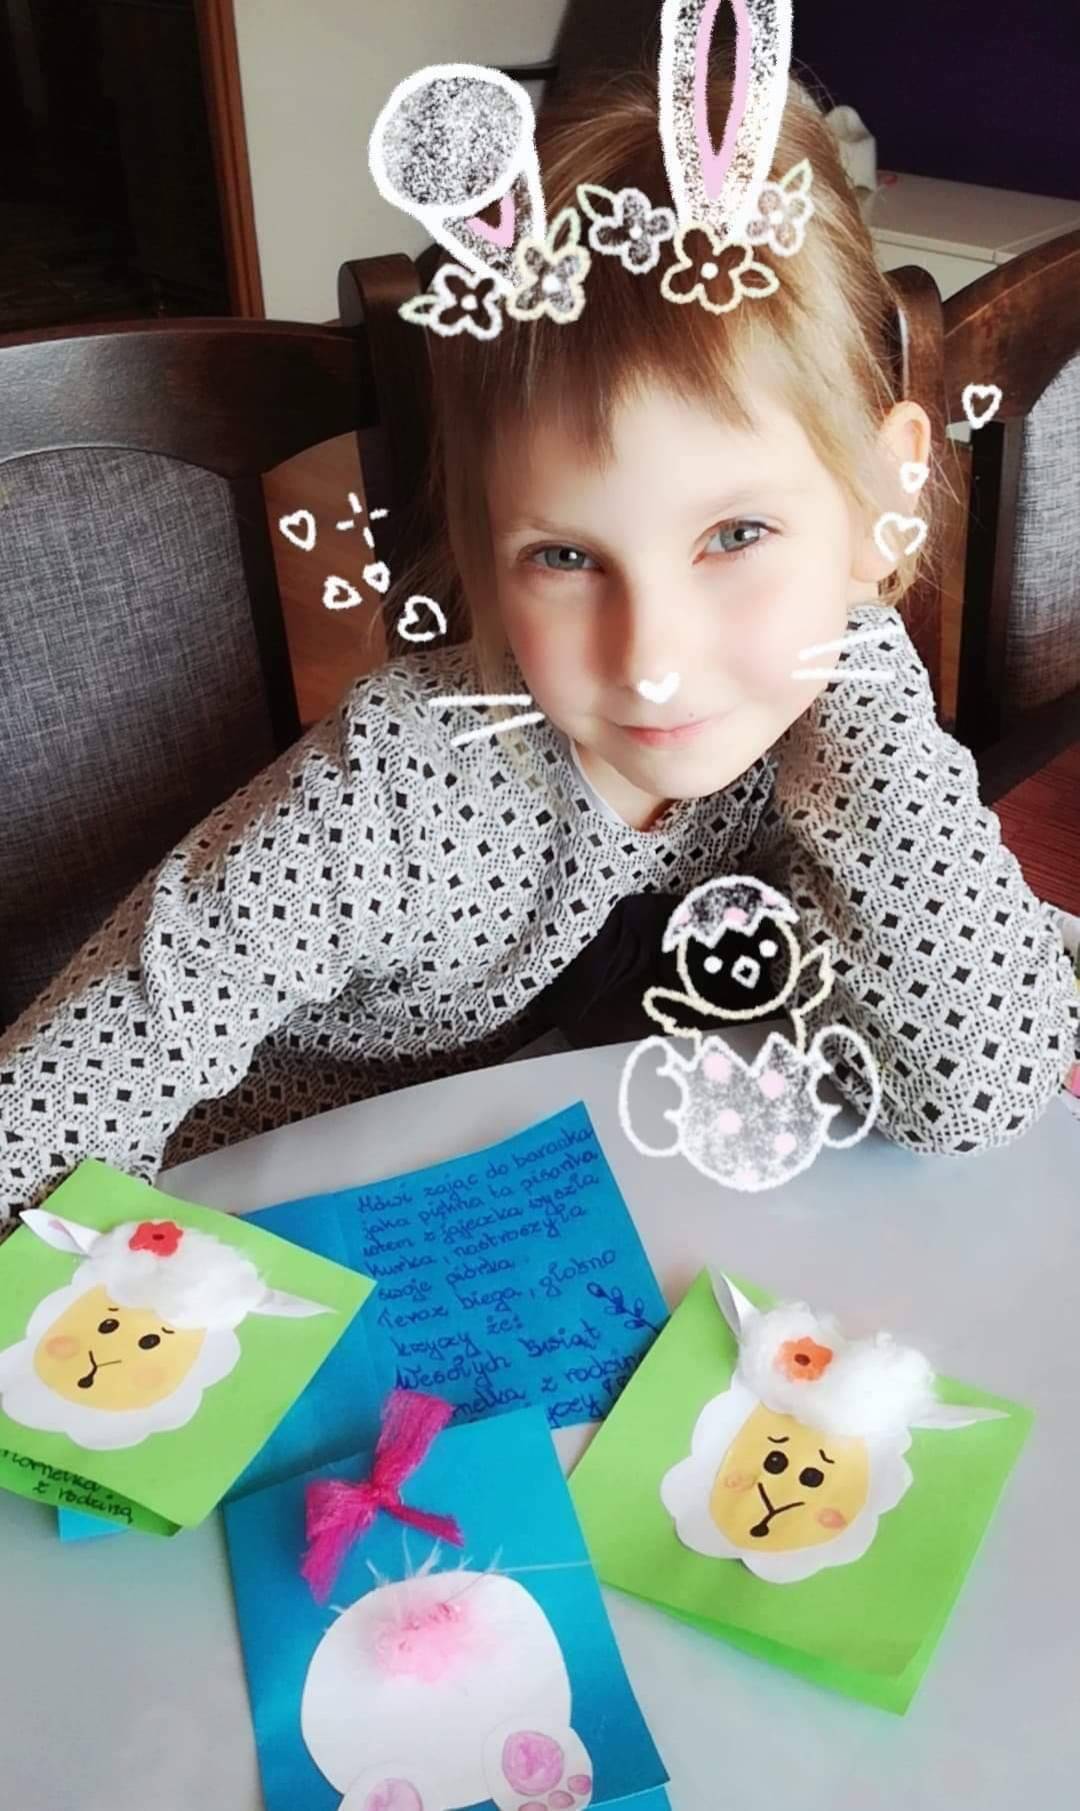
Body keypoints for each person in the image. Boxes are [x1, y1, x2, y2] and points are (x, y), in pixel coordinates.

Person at [1, 68, 1075, 1227]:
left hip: (603, 1215)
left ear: (884, 489)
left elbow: (973, 1084)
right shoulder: (404, 782)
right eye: (566, 556)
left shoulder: (828, 696)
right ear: (485, 547)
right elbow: (48, 1106)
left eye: (736, 535)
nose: (654, 657)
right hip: (275, 1221)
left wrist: (856, 652)